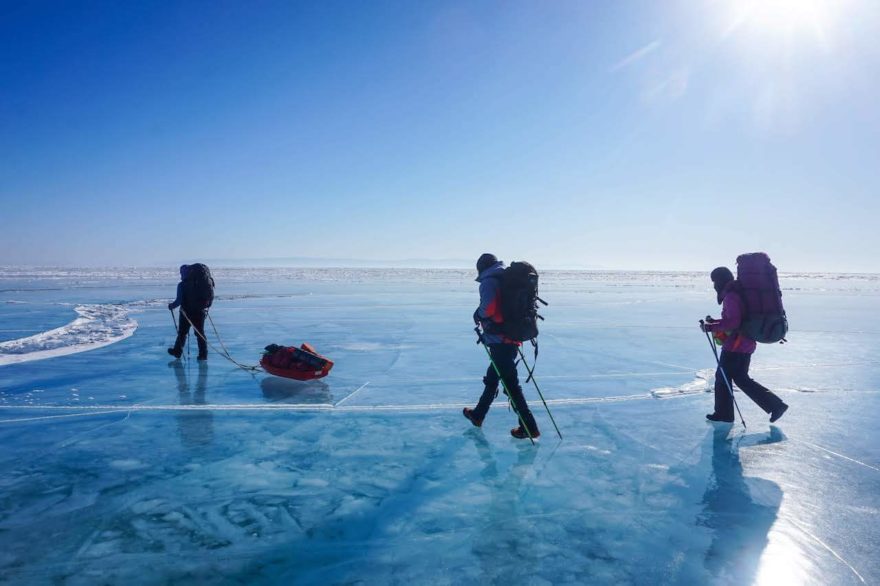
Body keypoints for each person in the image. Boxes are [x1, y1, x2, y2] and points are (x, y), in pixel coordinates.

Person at [463, 253, 540, 439]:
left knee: (511, 385)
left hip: (500, 339)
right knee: (493, 378)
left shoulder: (489, 281)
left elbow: (488, 308)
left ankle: (529, 426)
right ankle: (478, 415)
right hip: (510, 337)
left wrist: (479, 314)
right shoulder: (504, 277)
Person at [701, 267, 788, 423]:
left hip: (736, 345)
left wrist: (711, 327)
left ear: (721, 281)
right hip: (744, 344)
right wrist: (714, 322)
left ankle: (724, 414)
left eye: (714, 281)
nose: (714, 285)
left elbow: (734, 322)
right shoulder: (737, 293)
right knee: (739, 379)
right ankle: (775, 406)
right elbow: (736, 319)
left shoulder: (731, 297)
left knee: (723, 378)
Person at [167, 264, 209, 360]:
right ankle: (203, 354)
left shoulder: (182, 285)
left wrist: (171, 306)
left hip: (186, 313)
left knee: (182, 333)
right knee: (200, 333)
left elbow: (179, 301)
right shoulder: (199, 284)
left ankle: (177, 351)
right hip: (200, 312)